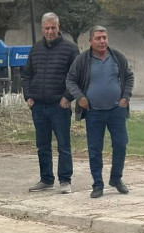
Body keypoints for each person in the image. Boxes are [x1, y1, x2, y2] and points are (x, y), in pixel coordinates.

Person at [66, 25, 134, 199]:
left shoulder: (116, 57)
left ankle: (116, 179)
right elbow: (71, 80)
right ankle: (97, 184)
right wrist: (80, 97)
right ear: (90, 41)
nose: (102, 41)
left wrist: (125, 97)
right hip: (94, 112)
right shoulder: (82, 60)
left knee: (121, 144)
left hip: (116, 111)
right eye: (98, 38)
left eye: (104, 37)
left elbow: (129, 76)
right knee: (95, 149)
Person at [22, 12, 80, 194]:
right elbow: (27, 74)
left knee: (63, 145)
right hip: (38, 106)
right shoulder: (36, 48)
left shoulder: (70, 49)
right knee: (42, 145)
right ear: (42, 29)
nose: (50, 31)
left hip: (59, 106)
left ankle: (65, 180)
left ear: (58, 27)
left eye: (53, 27)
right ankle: (46, 179)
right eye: (47, 28)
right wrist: (27, 96)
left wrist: (68, 97)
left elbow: (77, 77)